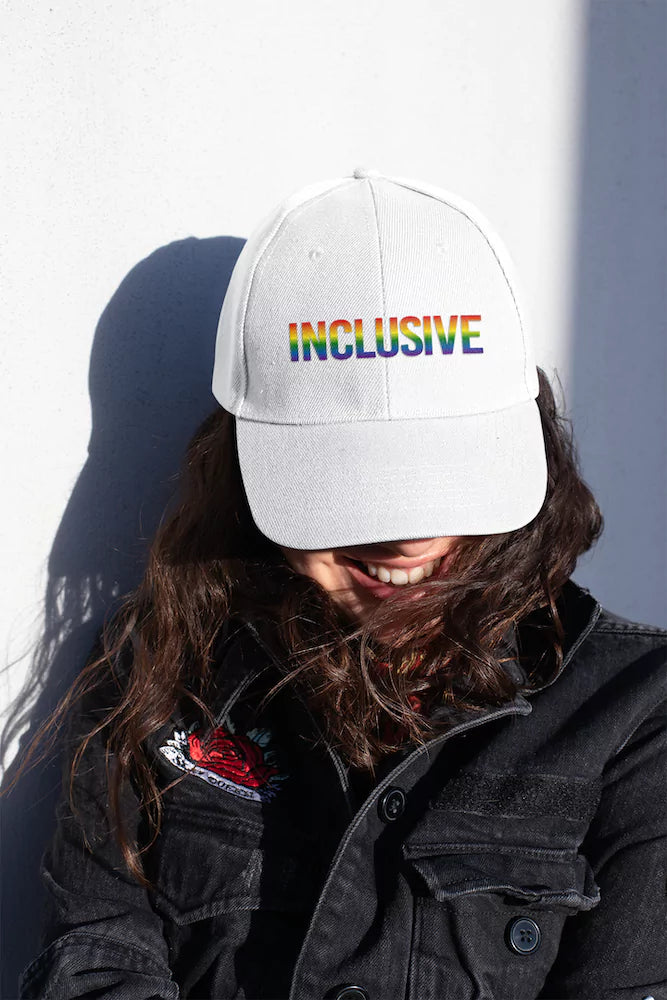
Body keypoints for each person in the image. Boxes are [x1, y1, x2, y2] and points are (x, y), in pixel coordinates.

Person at [7, 167, 666, 1000]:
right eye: (350, 486)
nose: (407, 535)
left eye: (446, 475)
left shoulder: (635, 714)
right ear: (242, 467)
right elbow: (98, 956)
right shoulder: (158, 672)